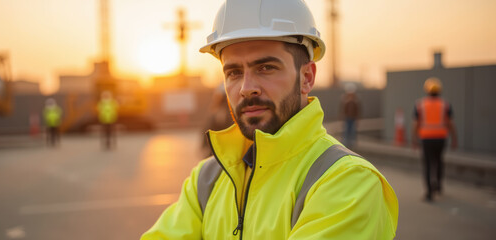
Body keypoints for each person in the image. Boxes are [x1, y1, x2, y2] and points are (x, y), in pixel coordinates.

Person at [142, 0, 398, 239]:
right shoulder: (206, 179)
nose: (246, 88)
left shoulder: (350, 183)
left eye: (266, 68)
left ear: (307, 77)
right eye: (233, 72)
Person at [412, 77, 457, 202]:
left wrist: (414, 138)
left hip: (426, 139)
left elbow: (415, 124)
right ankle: (439, 185)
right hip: (441, 138)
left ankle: (429, 193)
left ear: (427, 90)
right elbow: (451, 123)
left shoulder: (420, 104)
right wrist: (454, 138)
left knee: (427, 164)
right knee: (439, 161)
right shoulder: (445, 105)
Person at [339, 83, 360, 148]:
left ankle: (352, 141)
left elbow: (358, 110)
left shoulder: (355, 101)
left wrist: (357, 117)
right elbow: (342, 109)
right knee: (346, 129)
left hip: (353, 117)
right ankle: (345, 141)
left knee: (352, 130)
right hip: (347, 117)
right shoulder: (345, 100)